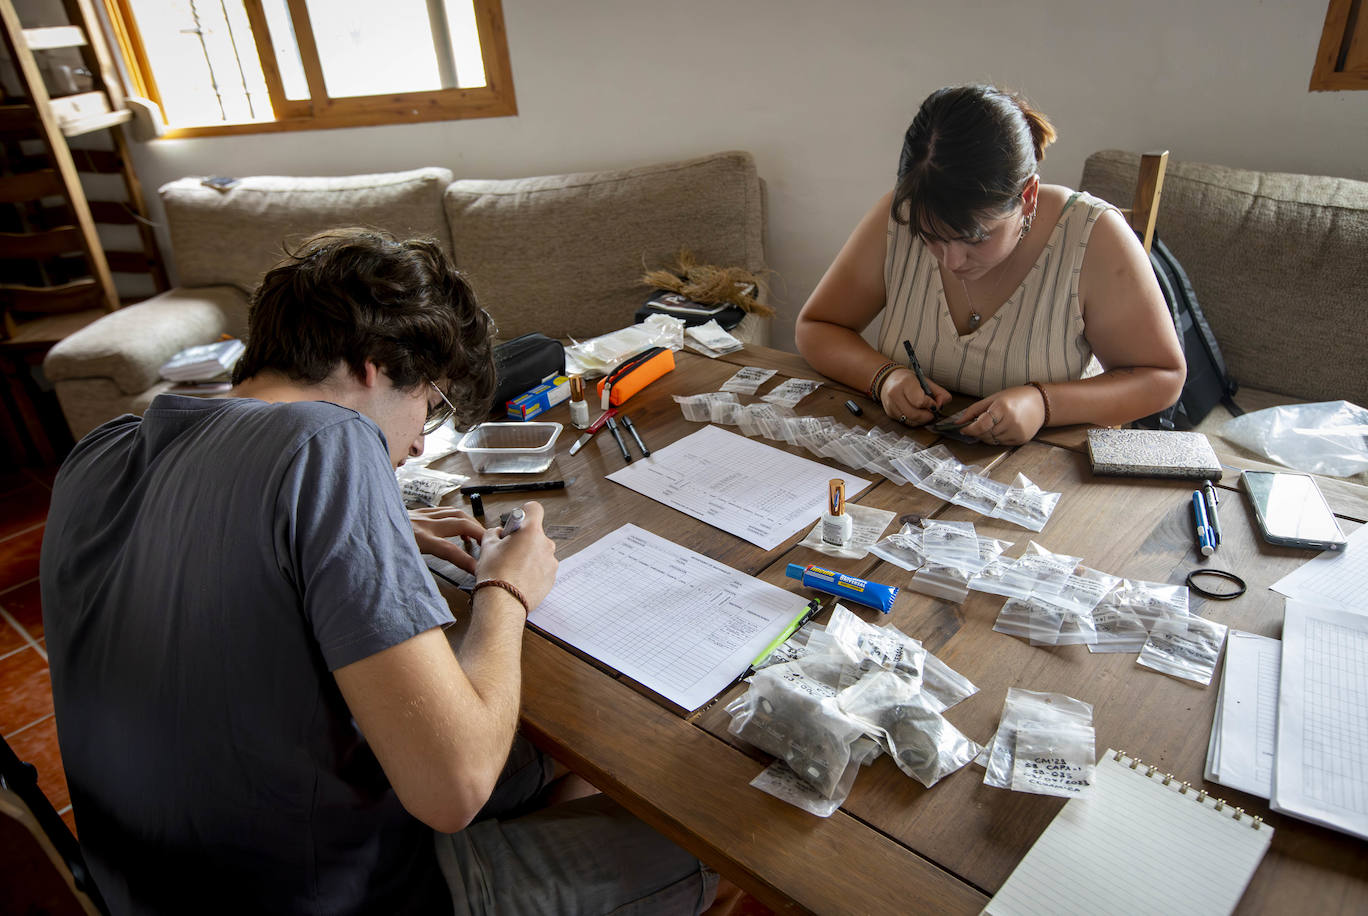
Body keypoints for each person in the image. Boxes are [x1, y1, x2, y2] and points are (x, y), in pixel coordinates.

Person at [40, 229, 716, 914]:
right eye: (429, 403)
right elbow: (454, 788)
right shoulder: (331, 439)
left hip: (145, 882)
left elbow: (210, 547)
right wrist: (506, 590)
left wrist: (372, 531)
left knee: (562, 746)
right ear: (372, 366)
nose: (422, 440)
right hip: (321, 894)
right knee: (704, 836)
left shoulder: (102, 449)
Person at [795, 85, 1186, 445]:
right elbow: (817, 327)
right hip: (911, 461)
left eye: (975, 237)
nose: (951, 260)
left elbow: (1162, 376)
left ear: (1028, 197)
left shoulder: (1093, 236)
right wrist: (885, 378)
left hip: (1043, 474)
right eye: (930, 236)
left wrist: (1043, 404)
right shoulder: (898, 216)